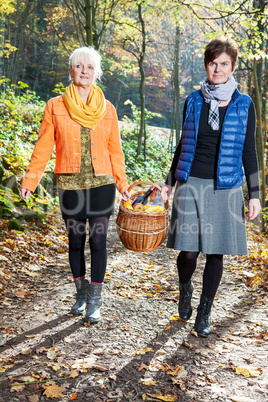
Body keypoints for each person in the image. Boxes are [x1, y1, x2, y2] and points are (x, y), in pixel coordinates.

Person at [21, 46, 130, 324]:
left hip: (102, 183)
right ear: (71, 71)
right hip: (70, 184)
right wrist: (30, 180)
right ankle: (80, 294)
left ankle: (95, 300)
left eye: (90, 67)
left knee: (98, 240)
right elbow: (43, 146)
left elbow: (115, 150)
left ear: (97, 73)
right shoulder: (55, 106)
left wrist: (122, 183)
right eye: (79, 66)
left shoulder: (107, 109)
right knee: (75, 240)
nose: (85, 71)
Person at [161, 37, 261, 337]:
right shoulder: (193, 101)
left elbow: (249, 151)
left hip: (226, 188)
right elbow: (183, 145)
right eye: (213, 63)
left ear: (232, 67)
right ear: (206, 65)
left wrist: (254, 194)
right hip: (190, 183)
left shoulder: (244, 104)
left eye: (224, 64)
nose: (218, 69)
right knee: (189, 252)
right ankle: (185, 287)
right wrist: (168, 184)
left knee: (215, 253)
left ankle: (204, 312)